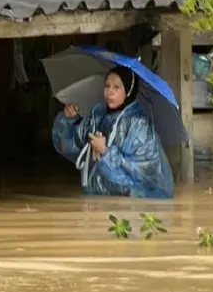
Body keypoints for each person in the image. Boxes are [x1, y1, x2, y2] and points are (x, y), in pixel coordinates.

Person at [51, 65, 174, 199]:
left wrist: (105, 151)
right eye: (107, 86)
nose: (109, 91)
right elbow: (71, 146)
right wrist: (68, 120)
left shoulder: (139, 125)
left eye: (116, 87)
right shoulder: (97, 115)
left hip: (128, 207)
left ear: (128, 90)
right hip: (93, 199)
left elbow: (143, 175)